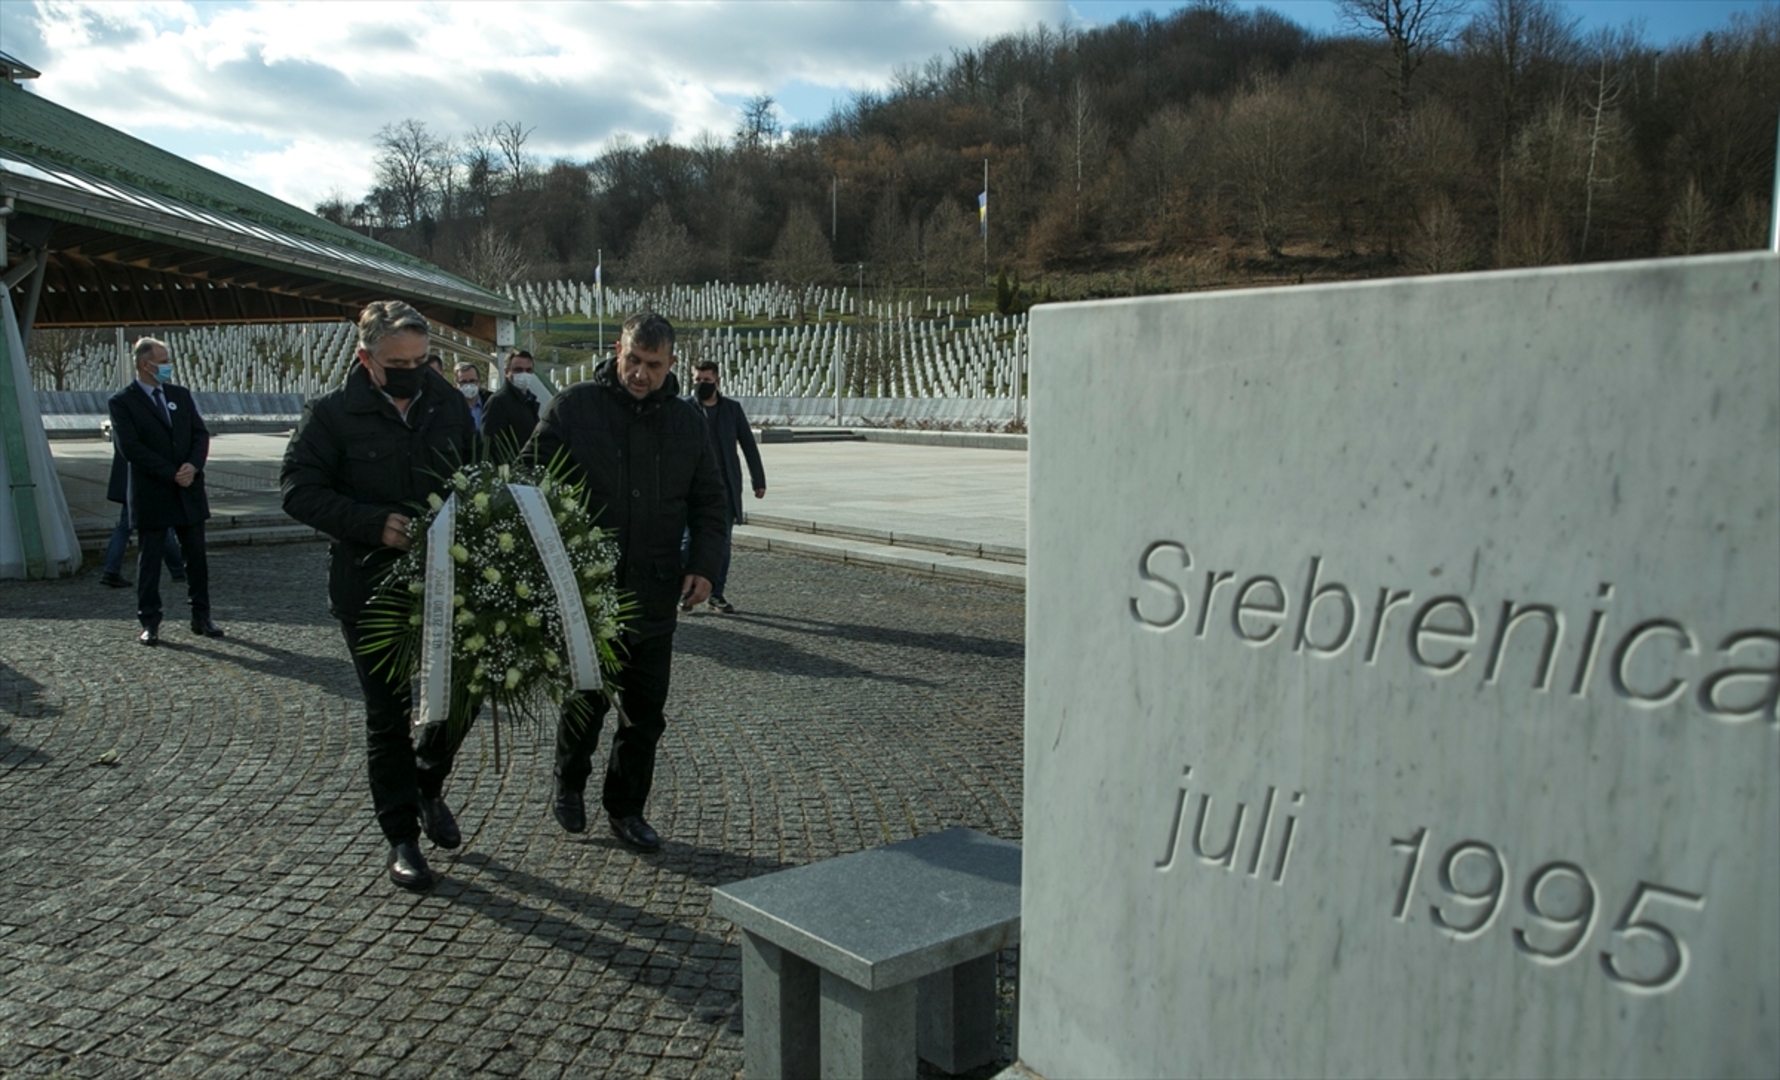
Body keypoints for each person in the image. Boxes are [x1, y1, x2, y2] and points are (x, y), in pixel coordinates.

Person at [281, 300, 478, 892]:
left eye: (421, 361)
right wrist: (370, 523)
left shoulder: (447, 403)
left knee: (464, 694)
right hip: (368, 585)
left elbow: (477, 473)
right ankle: (401, 836)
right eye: (399, 365)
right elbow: (297, 490)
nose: (413, 373)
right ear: (366, 359)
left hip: (446, 580)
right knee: (387, 715)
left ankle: (427, 781)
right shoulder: (331, 415)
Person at [530, 313, 727, 854]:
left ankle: (626, 808)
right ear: (617, 350)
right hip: (588, 591)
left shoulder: (688, 423)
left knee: (645, 714)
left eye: (653, 365)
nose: (640, 374)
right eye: (633, 360)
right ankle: (569, 780)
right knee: (586, 699)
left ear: (671, 364)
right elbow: (529, 483)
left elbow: (710, 501)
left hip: (655, 589)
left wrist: (704, 565)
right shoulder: (573, 409)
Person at [107, 337, 221, 645]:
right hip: (153, 491)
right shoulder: (123, 401)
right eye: (163, 361)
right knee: (150, 560)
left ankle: (201, 616)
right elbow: (131, 448)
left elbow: (199, 434)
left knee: (196, 557)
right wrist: (172, 473)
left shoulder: (179, 395)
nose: (168, 366)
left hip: (188, 489)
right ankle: (150, 621)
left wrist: (192, 466)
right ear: (146, 365)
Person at [686, 359, 766, 614]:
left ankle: (716, 593)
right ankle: (686, 591)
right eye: (697, 380)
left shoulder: (732, 409)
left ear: (717, 382)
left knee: (723, 544)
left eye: (707, 380)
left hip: (724, 489)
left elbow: (748, 445)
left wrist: (758, 480)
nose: (702, 384)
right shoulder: (684, 408)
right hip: (690, 489)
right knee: (688, 541)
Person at [99, 435, 185, 589]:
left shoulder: (124, 422)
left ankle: (111, 570)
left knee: (126, 526)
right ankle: (178, 569)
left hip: (129, 478)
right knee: (161, 525)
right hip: (144, 478)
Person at [481, 349, 541, 460]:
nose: (524, 374)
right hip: (511, 466)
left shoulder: (529, 401)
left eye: (528, 370)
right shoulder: (498, 402)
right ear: (507, 372)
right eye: (518, 370)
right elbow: (490, 443)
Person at [454, 360, 489, 431]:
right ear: (456, 384)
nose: (468, 385)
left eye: (472, 381)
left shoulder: (491, 402)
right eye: (463, 382)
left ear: (479, 382)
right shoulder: (449, 407)